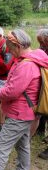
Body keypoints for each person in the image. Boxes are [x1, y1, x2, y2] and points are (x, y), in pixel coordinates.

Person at [0, 29, 48, 170]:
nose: (10, 52)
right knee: (23, 145)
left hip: (19, 114)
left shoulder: (26, 65)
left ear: (18, 46)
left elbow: (12, 91)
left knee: (0, 146)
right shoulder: (33, 58)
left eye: (11, 49)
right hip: (26, 113)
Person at [36, 28, 48, 160]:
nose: (41, 44)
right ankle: (40, 129)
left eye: (42, 41)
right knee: (43, 104)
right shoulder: (43, 47)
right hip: (45, 81)